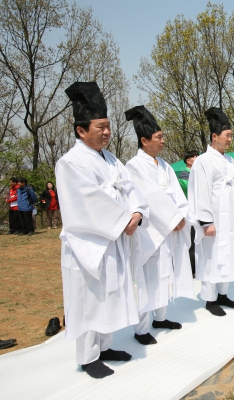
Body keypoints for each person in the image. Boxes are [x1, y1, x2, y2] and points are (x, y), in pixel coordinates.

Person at [57, 82, 148, 378]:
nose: (107, 132)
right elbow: (86, 203)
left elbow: (130, 188)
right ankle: (87, 355)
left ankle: (105, 345)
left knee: (111, 294)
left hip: (115, 239)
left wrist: (136, 212)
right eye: (100, 126)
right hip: (89, 244)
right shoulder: (70, 163)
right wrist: (123, 220)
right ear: (81, 130)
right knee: (89, 298)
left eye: (108, 126)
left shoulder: (111, 159)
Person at [124, 105, 195, 345]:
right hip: (150, 232)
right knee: (146, 276)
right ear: (144, 140)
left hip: (170, 229)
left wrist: (182, 217)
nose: (163, 141)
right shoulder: (134, 166)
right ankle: (141, 328)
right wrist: (174, 219)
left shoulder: (164, 165)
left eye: (163, 136)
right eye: (159, 137)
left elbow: (177, 194)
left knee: (165, 274)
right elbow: (150, 198)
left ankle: (161, 317)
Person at [187, 107, 234, 316]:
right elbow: (200, 192)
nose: (230, 140)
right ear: (215, 136)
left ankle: (223, 294)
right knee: (211, 257)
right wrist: (206, 222)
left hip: (231, 220)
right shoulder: (203, 161)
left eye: (231, 136)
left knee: (228, 255)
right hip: (214, 221)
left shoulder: (230, 161)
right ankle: (209, 299)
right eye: (228, 136)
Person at [176, 150, 199, 277]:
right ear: (188, 161)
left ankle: (198, 266)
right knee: (191, 241)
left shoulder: (199, 174)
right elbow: (193, 189)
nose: (198, 159)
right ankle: (191, 269)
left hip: (199, 213)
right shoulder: (184, 176)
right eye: (195, 157)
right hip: (189, 214)